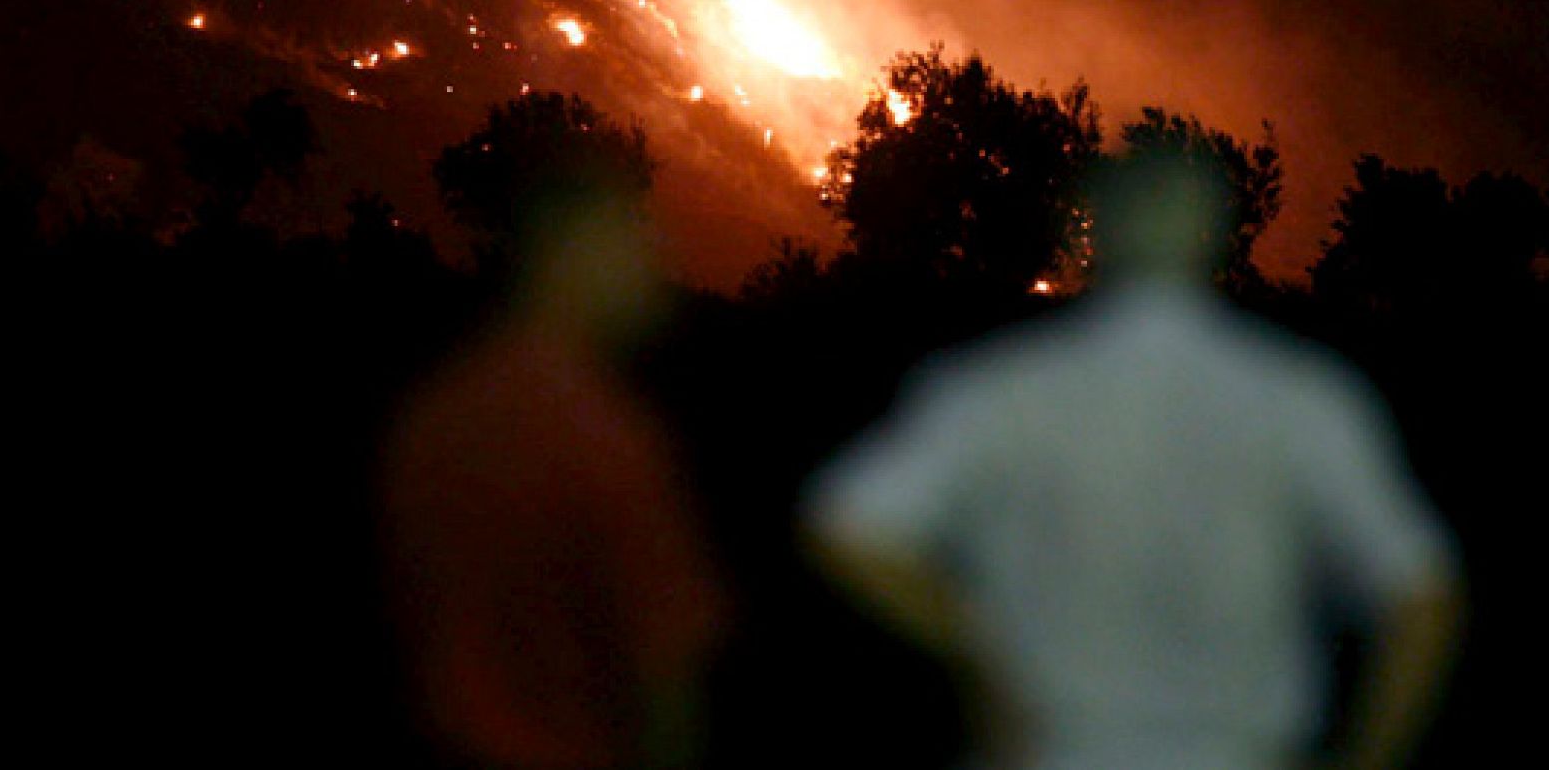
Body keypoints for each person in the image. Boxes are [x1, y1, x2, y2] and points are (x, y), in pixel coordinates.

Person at [801, 150, 1463, 770]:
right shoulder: (1301, 395)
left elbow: (846, 523)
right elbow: (1422, 592)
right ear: (1224, 232)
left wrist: (979, 645)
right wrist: (1364, 759)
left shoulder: (1001, 385)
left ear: (1095, 230)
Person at [382, 184, 725, 770]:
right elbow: (665, 670)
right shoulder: (605, 435)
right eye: (630, 251)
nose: (651, 271)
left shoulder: (434, 413)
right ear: (574, 261)